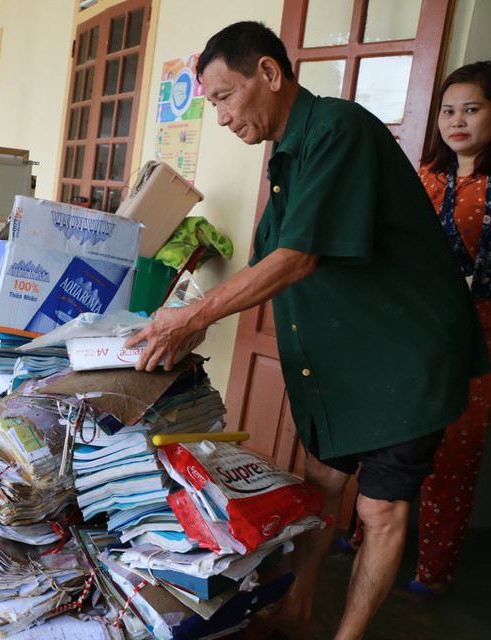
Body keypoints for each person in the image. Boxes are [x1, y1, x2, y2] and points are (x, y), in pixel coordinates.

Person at [125, 21, 489, 640]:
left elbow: (298, 258)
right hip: (347, 365)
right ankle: (296, 612)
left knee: (379, 508)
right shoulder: (288, 156)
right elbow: (267, 260)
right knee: (321, 484)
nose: (220, 116)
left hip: (404, 359)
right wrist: (187, 315)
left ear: (269, 73)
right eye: (212, 103)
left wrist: (195, 316)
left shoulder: (338, 130)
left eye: (224, 96)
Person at [409, 61, 491, 599]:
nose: (456, 120)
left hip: (481, 336)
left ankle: (431, 573)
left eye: (472, 109)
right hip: (418, 330)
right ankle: (366, 535)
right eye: (448, 110)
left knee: (456, 454)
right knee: (395, 436)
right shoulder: (425, 177)